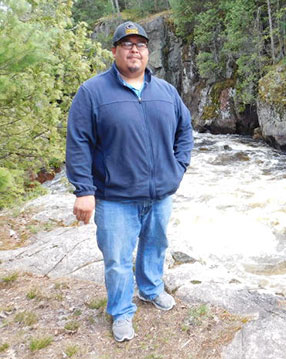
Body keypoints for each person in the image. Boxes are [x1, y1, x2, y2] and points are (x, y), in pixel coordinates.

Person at [65, 21, 193, 342]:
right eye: (127, 44)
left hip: (160, 193)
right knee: (118, 260)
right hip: (114, 197)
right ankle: (121, 311)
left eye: (140, 44)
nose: (134, 50)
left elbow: (185, 131)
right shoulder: (92, 92)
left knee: (155, 246)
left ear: (147, 52)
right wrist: (84, 190)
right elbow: (78, 141)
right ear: (115, 51)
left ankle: (151, 290)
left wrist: (177, 168)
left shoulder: (166, 92)